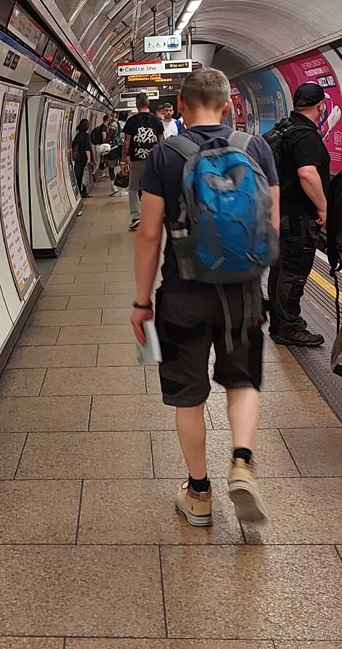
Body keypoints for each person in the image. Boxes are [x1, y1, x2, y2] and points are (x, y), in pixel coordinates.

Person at [131, 68, 280, 526]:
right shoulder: (256, 148)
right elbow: (272, 223)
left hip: (182, 293)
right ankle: (242, 461)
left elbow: (150, 233)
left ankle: (198, 494)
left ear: (179, 104)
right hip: (244, 295)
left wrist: (142, 302)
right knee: (242, 381)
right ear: (229, 104)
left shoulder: (163, 155)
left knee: (188, 396)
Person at [265, 82, 329, 347]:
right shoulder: (305, 135)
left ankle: (279, 324)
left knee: (279, 269)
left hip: (279, 212)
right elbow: (307, 173)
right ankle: (290, 326)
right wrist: (323, 207)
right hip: (298, 216)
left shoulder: (282, 129)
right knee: (294, 271)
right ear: (321, 106)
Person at [121, 93, 163, 229]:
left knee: (133, 188)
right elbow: (161, 141)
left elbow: (127, 142)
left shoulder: (132, 121)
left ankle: (136, 216)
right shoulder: (157, 121)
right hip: (153, 160)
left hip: (136, 159)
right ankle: (152, 216)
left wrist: (123, 160)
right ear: (148, 103)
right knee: (150, 188)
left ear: (136, 104)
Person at [72, 118, 93, 199]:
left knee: (79, 174)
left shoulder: (78, 135)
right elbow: (87, 148)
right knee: (85, 173)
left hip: (78, 158)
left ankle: (78, 191)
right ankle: (84, 191)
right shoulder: (86, 136)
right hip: (84, 157)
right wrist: (89, 159)